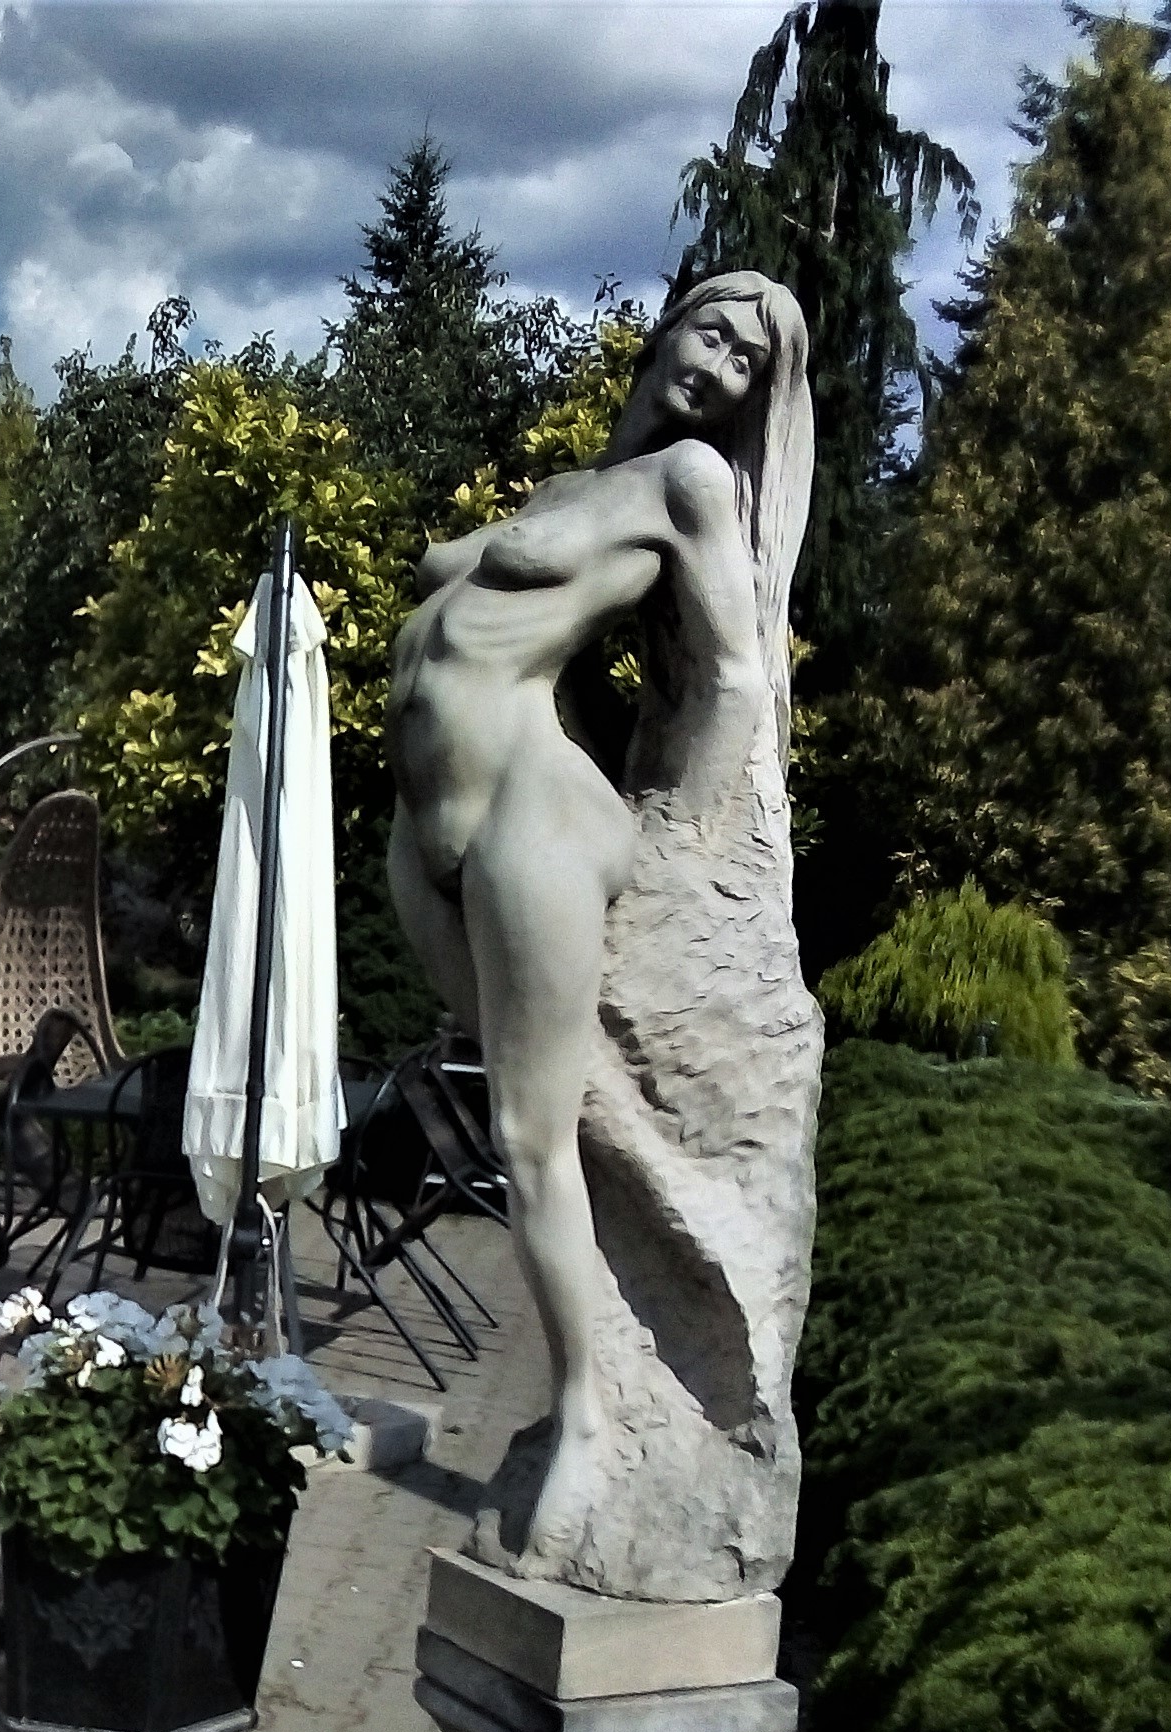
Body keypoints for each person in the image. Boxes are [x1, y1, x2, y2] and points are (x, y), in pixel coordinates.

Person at [384, 270, 812, 1570]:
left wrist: (685, 840)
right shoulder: (573, 486)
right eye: (712, 332)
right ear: (669, 324)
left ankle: (585, 1419)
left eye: (746, 363)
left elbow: (736, 674)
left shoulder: (688, 480)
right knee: (572, 1126)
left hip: (535, 814)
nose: (718, 367)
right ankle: (630, 1364)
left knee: (533, 1136)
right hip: (428, 834)